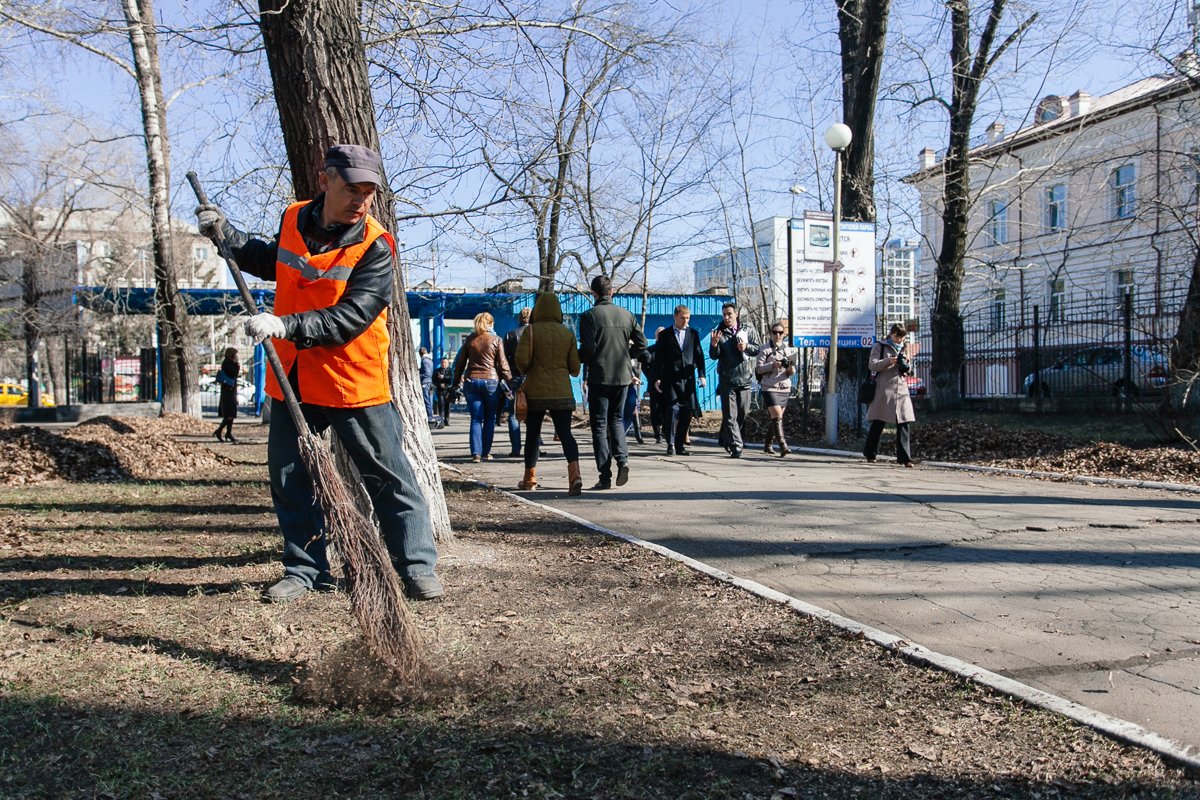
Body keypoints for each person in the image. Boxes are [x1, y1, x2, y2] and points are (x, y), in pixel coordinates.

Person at [194, 143, 442, 603]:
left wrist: (285, 325)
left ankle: (416, 568)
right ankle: (305, 570)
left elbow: (353, 314)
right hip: (294, 377)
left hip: (352, 378)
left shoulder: (376, 245)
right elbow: (272, 261)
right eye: (352, 189)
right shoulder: (293, 219)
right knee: (291, 478)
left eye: (369, 192)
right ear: (325, 180)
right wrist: (225, 234)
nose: (361, 200)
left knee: (389, 477)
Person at [578, 275, 647, 490]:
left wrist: (577, 359)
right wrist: (627, 354)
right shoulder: (627, 315)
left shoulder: (589, 316)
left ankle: (605, 476)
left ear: (594, 293)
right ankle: (623, 460)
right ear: (612, 291)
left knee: (599, 426)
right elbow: (642, 343)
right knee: (616, 420)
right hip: (623, 377)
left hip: (599, 376)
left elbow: (588, 349)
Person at [514, 292, 583, 495]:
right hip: (562, 392)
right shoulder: (567, 334)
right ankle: (575, 477)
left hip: (535, 392)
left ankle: (530, 478)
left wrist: (531, 369)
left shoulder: (531, 332)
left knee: (533, 435)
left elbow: (522, 362)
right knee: (565, 434)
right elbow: (575, 369)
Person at [452, 311, 511, 462]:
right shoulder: (496, 340)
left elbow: (460, 363)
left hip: (472, 381)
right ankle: (486, 452)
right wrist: (511, 383)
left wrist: (455, 382)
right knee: (490, 417)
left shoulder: (470, 340)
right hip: (491, 382)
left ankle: (476, 454)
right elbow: (503, 365)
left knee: (476, 419)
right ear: (491, 324)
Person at [709, 302, 760, 458]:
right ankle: (737, 446)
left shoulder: (747, 329)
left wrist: (746, 347)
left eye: (729, 314)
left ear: (736, 314)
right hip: (727, 379)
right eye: (724, 314)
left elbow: (757, 348)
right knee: (730, 415)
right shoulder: (719, 332)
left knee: (742, 413)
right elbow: (714, 355)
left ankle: (726, 438)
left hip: (744, 378)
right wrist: (714, 344)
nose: (726, 317)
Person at [653, 305, 706, 456]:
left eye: (688, 318)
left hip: (688, 379)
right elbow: (659, 359)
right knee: (672, 410)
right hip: (670, 379)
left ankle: (680, 443)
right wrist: (657, 378)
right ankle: (670, 443)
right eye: (682, 318)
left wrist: (702, 374)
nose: (685, 321)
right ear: (675, 317)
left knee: (687, 411)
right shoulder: (665, 335)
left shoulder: (693, 334)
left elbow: (699, 355)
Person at [863, 322, 917, 467]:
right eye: (897, 336)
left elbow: (909, 369)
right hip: (884, 389)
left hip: (901, 390)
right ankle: (870, 453)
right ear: (891, 334)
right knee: (878, 421)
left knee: (904, 422)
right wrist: (888, 361)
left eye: (902, 337)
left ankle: (905, 458)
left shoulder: (904, 348)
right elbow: (872, 365)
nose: (900, 339)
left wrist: (906, 366)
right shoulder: (879, 346)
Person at [756, 323, 794, 456]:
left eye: (780, 333)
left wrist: (790, 369)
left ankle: (767, 444)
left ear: (784, 334)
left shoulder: (788, 350)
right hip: (769, 387)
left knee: (776, 417)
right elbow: (759, 368)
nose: (777, 335)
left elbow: (792, 370)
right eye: (775, 332)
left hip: (784, 387)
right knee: (777, 415)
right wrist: (773, 365)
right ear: (771, 334)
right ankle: (783, 445)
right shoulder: (764, 349)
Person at [501, 307, 532, 457]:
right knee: (533, 414)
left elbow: (504, 359)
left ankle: (516, 449)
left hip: (514, 377)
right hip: (532, 377)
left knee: (513, 414)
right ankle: (534, 449)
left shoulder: (510, 335)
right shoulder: (536, 334)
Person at [641, 327, 666, 444]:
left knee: (667, 409)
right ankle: (658, 434)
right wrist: (651, 377)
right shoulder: (650, 350)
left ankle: (666, 431)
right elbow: (644, 367)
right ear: (656, 336)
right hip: (653, 384)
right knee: (655, 409)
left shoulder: (669, 350)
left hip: (667, 384)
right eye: (659, 334)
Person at [213, 346, 240, 443]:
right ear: (232, 355)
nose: (237, 356)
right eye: (235, 355)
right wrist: (237, 364)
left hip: (231, 391)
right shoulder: (227, 363)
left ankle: (228, 433)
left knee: (231, 414)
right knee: (229, 414)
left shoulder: (229, 363)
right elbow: (234, 373)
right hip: (228, 392)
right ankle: (219, 431)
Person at [432, 356, 454, 428]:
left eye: (445, 362)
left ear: (447, 363)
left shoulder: (450, 371)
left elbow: (452, 379)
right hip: (440, 391)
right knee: (441, 405)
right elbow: (434, 380)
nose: (443, 364)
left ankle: (447, 420)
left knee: (448, 406)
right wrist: (439, 385)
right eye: (442, 362)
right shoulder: (436, 371)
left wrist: (443, 377)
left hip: (448, 391)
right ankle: (441, 420)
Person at [418, 346, 435, 424]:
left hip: (425, 382)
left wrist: (418, 376)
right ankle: (430, 416)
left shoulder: (424, 360)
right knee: (429, 400)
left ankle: (429, 417)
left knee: (426, 400)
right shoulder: (430, 360)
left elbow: (427, 373)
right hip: (429, 382)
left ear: (420, 354)